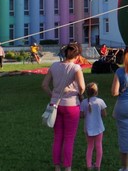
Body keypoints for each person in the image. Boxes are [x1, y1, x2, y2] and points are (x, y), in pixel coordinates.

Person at [41, 43, 86, 171]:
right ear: (77, 56)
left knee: (58, 137)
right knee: (69, 138)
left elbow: (44, 85)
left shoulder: (54, 66)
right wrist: (79, 94)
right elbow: (82, 87)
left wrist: (53, 95)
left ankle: (57, 167)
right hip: (71, 105)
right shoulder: (76, 68)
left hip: (55, 105)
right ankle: (67, 167)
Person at [81, 82, 107, 171]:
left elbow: (81, 115)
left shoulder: (84, 102)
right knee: (99, 146)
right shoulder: (100, 101)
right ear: (96, 92)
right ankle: (98, 166)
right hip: (99, 128)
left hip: (88, 128)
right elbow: (104, 114)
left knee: (90, 146)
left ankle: (89, 165)